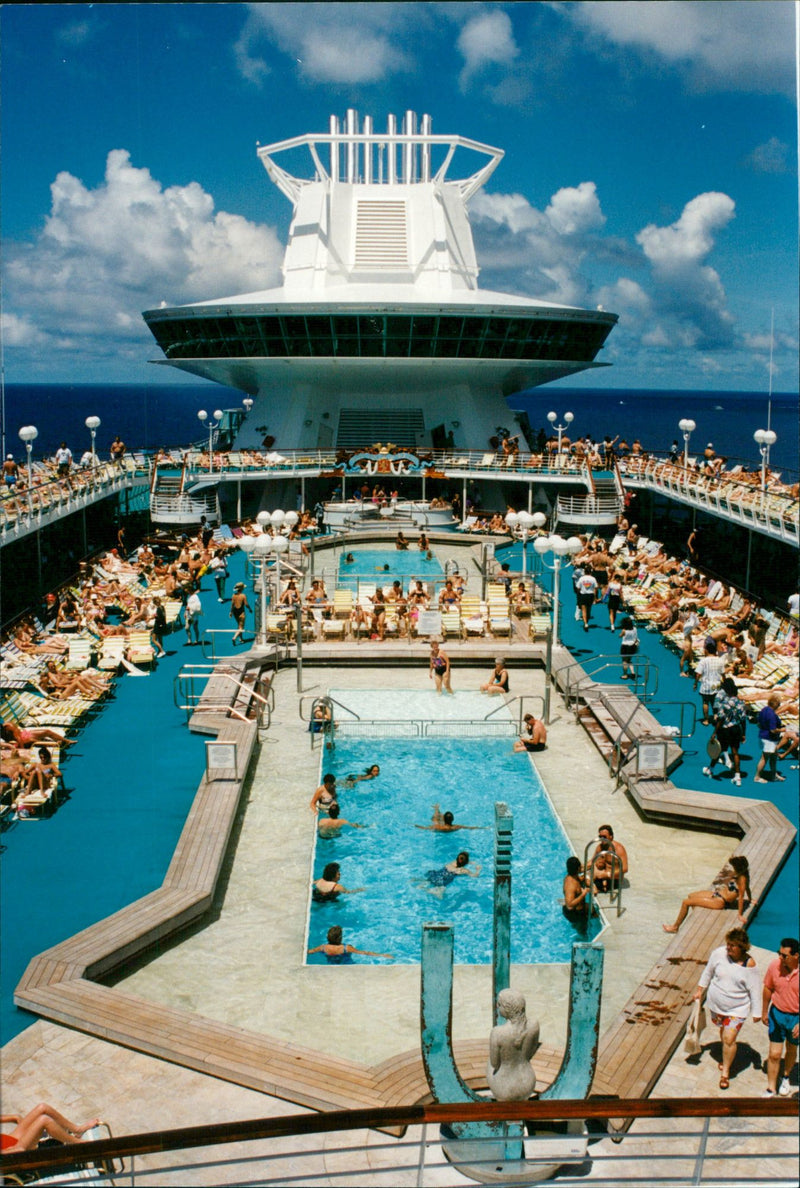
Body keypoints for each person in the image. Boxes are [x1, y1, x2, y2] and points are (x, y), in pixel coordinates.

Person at [691, 927, 760, 1089]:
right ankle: (725, 1055)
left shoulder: (749, 965)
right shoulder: (718, 954)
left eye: (733, 945)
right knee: (723, 1033)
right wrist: (700, 990)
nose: (728, 948)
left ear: (742, 947)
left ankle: (726, 1073)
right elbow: (708, 972)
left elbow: (755, 989)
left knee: (729, 1038)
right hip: (717, 1005)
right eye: (728, 944)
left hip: (737, 1009)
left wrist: (757, 1012)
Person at [663, 855, 755, 933]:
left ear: (738, 867)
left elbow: (742, 896)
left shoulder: (742, 880)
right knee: (691, 895)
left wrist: (740, 915)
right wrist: (750, 899)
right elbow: (748, 889)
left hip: (720, 901)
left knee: (686, 902)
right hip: (716, 894)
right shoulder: (742, 873)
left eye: (734, 866)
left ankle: (675, 927)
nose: (733, 868)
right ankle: (698, 917)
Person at [486, 988, 541, 1101]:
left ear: (507, 1009)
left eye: (499, 1004)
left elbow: (495, 1064)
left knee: (489, 1062)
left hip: (503, 1088)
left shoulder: (497, 1032)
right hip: (527, 1084)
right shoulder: (534, 1025)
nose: (497, 1006)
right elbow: (531, 1052)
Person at [762, 937, 798, 1097]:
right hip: (777, 1014)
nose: (780, 958)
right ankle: (771, 1087)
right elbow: (768, 989)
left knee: (791, 1048)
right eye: (779, 953)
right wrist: (764, 1012)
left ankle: (786, 1076)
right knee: (774, 1053)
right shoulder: (774, 966)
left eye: (784, 955)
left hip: (796, 1018)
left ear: (796, 956)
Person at [1, 1104, 101, 1154]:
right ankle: (77, 1143)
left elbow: (14, 1117)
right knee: (44, 1120)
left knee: (42, 1107)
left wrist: (14, 1117)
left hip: (10, 1138)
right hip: (14, 1149)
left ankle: (78, 1130)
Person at [704, 677, 746, 786]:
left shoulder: (725, 703)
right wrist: (743, 734)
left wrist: (714, 733)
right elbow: (743, 720)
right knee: (735, 753)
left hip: (725, 730)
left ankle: (711, 769)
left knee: (719, 750)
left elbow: (721, 719)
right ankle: (737, 777)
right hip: (737, 730)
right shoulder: (741, 704)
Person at [308, 925, 392, 962]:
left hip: (331, 964)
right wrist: (382, 955)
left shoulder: (323, 947)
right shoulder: (346, 948)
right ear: (340, 938)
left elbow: (309, 952)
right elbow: (364, 953)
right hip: (346, 963)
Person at [693, 638, 728, 725]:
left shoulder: (703, 661)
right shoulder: (720, 661)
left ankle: (706, 719)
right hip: (716, 685)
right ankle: (716, 716)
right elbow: (723, 674)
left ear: (707, 650)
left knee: (705, 702)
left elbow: (698, 674)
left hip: (706, 685)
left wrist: (695, 683)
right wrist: (725, 682)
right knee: (715, 702)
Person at [755, 693, 785, 784]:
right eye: (779, 704)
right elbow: (773, 730)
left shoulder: (764, 710)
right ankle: (757, 776)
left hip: (763, 736)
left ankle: (773, 774)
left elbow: (758, 723)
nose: (779, 706)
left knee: (774, 756)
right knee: (764, 758)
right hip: (769, 739)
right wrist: (782, 729)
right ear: (775, 704)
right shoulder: (771, 715)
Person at [414, 803, 487, 832]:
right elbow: (470, 827)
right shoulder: (455, 827)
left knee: (435, 819)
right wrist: (483, 828)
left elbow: (426, 828)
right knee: (437, 818)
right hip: (446, 825)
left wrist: (416, 826)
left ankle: (436, 808)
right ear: (453, 819)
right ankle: (436, 808)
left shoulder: (439, 827)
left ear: (443, 819)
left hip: (440, 826)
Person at [563, 856, 589, 921]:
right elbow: (569, 905)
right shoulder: (571, 885)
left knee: (593, 910)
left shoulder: (572, 876)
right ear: (578, 868)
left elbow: (579, 879)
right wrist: (583, 894)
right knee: (583, 929)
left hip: (579, 909)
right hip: (575, 914)